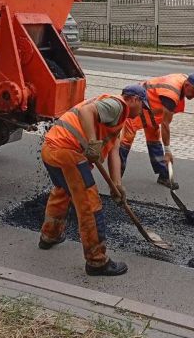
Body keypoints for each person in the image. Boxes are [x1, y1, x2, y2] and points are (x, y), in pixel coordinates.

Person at [39, 85, 151, 276]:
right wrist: (93, 142)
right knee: (90, 205)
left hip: (51, 149)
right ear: (135, 100)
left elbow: (114, 152)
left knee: (63, 191)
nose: (142, 113)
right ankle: (97, 261)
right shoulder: (118, 105)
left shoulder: (118, 121)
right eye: (143, 107)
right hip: (67, 151)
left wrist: (116, 185)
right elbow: (85, 111)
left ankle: (50, 235)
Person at [119, 73, 194, 190]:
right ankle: (116, 179)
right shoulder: (171, 94)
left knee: (154, 140)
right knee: (126, 141)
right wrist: (168, 151)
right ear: (187, 85)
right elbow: (165, 124)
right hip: (137, 106)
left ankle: (164, 176)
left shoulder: (183, 82)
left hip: (149, 110)